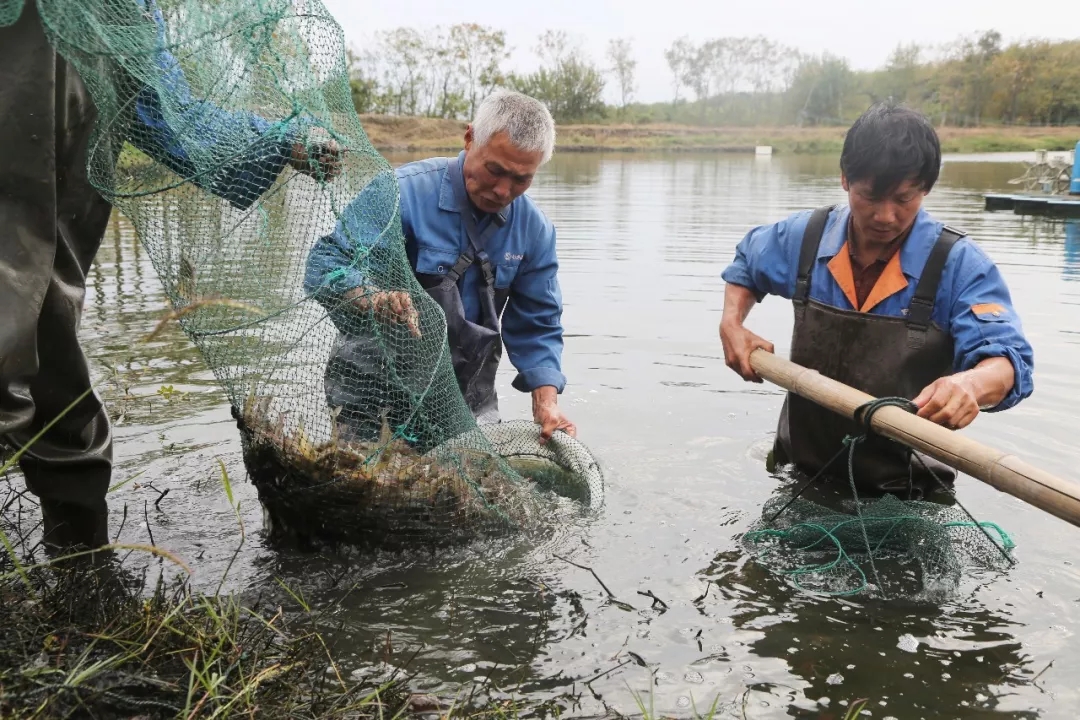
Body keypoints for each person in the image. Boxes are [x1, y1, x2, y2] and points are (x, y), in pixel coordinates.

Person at [0, 0, 340, 553]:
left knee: (62, 407)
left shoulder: (127, 14)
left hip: (51, 276)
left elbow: (179, 125)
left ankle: (82, 581)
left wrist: (282, 141)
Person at [719, 102, 1035, 499]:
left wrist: (970, 384)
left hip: (908, 498)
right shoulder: (806, 238)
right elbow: (748, 262)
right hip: (800, 477)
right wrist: (733, 323)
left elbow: (1010, 361)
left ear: (926, 189)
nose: (885, 216)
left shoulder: (958, 265)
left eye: (904, 199)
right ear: (845, 180)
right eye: (870, 196)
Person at [304, 90, 575, 445]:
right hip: (371, 390)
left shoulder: (534, 230)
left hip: (464, 398)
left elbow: (538, 324)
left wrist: (546, 403)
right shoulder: (402, 193)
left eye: (521, 179)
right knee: (366, 487)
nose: (502, 190)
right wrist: (373, 298)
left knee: (465, 493)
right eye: (495, 170)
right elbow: (327, 263)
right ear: (469, 138)